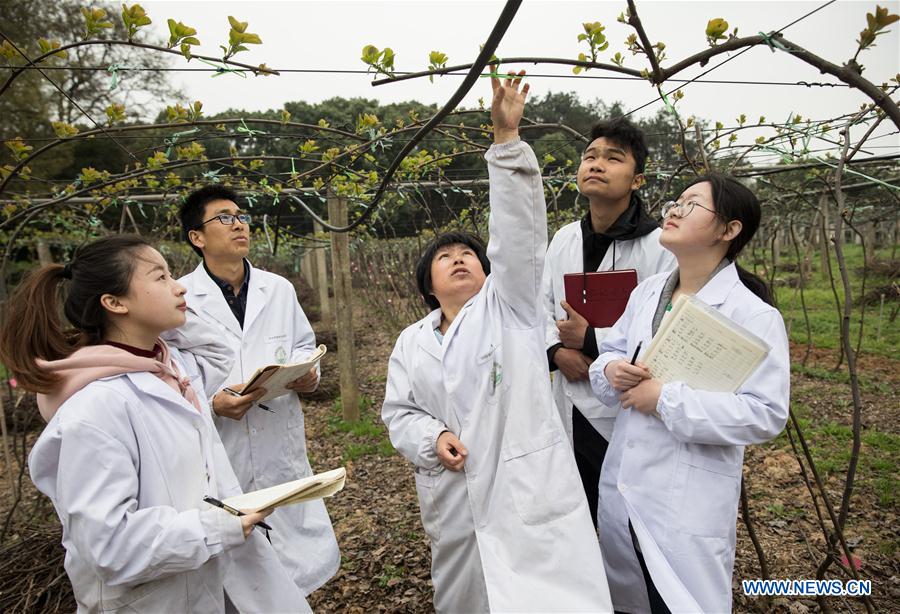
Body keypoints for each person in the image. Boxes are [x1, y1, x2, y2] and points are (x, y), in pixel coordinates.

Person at [381, 71, 613, 612]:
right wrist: (433, 436)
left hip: (524, 492)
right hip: (453, 498)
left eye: (469, 254)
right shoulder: (411, 343)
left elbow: (517, 235)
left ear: (490, 272)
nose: (459, 259)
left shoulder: (511, 308)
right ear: (428, 284)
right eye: (445, 257)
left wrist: (506, 142)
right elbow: (399, 412)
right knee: (467, 599)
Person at [0, 235, 309, 612]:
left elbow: (218, 350)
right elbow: (109, 546)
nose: (180, 287)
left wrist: (158, 322)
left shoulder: (171, 368)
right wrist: (220, 528)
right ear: (114, 303)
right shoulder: (95, 408)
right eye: (160, 277)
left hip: (207, 583)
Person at [589, 174, 790, 613]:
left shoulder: (753, 315)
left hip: (685, 503)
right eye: (676, 201)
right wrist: (612, 369)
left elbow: (766, 413)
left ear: (729, 229)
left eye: (692, 204)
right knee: (630, 602)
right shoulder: (647, 293)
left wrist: (665, 400)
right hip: (626, 487)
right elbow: (609, 352)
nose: (674, 210)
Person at [176, 185, 339, 597]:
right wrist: (213, 404)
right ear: (197, 237)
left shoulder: (277, 289)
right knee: (237, 576)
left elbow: (303, 345)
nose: (239, 225)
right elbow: (174, 375)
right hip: (222, 448)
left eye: (242, 216)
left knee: (292, 567)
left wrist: (308, 373)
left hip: (278, 443)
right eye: (224, 218)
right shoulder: (180, 299)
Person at [542, 118, 675, 527]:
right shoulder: (564, 239)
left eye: (613, 158)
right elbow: (539, 307)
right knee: (575, 519)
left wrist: (592, 341)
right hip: (569, 400)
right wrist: (556, 351)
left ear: (638, 180)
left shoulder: (659, 247)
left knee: (627, 522)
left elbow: (665, 329)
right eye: (590, 156)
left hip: (626, 408)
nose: (596, 164)